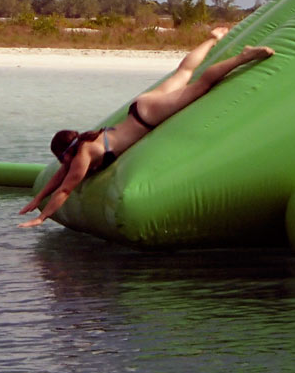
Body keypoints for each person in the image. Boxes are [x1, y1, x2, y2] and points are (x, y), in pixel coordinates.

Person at [17, 29, 275, 228]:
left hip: (148, 117)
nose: (63, 164)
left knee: (200, 85)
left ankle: (244, 56)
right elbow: (60, 176)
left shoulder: (83, 156)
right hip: (140, 108)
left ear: (66, 153)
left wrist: (42, 218)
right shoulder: (83, 145)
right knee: (184, 73)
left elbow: (65, 189)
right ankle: (212, 38)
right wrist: (37, 201)